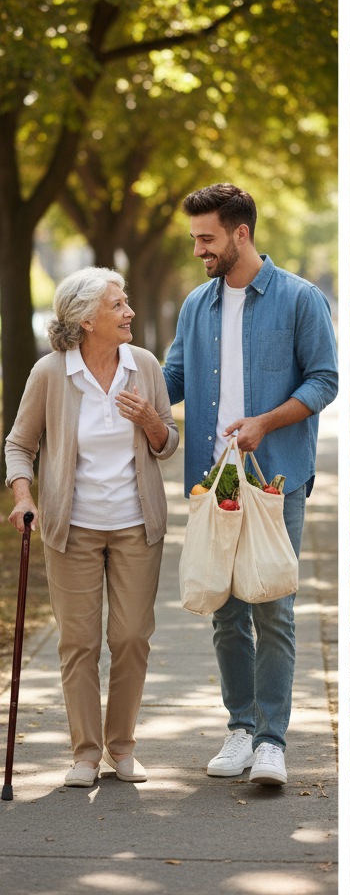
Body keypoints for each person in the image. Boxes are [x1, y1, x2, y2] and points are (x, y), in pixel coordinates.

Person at [163, 183, 338, 786]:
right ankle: (240, 727)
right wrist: (128, 392)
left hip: (274, 481)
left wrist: (267, 420)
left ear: (241, 233)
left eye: (207, 239)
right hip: (214, 485)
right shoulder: (196, 304)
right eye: (194, 240)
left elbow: (324, 382)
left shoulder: (299, 299)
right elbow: (174, 378)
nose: (199, 251)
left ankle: (272, 741)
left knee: (273, 608)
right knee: (224, 609)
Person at [5, 268, 178, 788]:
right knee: (78, 642)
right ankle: (85, 752)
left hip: (135, 524)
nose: (128, 313)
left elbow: (168, 441)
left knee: (130, 637)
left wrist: (150, 419)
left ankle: (121, 748)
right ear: (86, 319)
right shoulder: (51, 374)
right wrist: (23, 495)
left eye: (127, 304)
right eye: (118, 306)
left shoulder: (143, 366)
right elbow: (19, 444)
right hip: (72, 527)